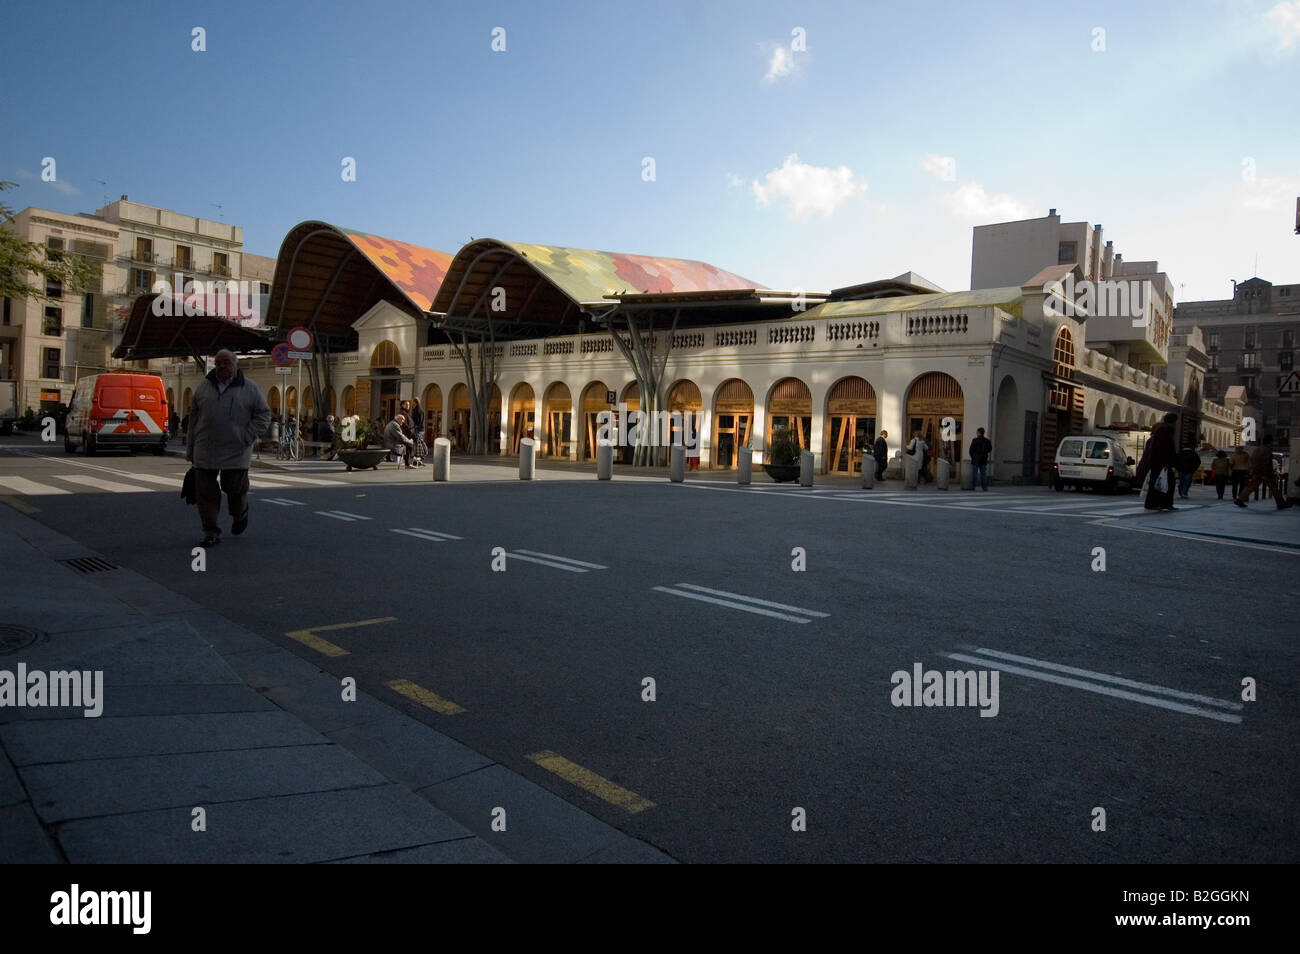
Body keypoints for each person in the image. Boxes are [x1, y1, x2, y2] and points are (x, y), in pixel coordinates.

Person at [186, 349, 270, 547]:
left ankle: (240, 513)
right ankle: (210, 531)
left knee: (234, 489)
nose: (222, 366)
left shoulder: (250, 388)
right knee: (205, 494)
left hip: (236, 450)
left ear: (236, 365)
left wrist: (247, 436)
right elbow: (193, 419)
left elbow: (264, 415)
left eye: (226, 362)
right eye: (218, 363)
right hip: (205, 449)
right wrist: (191, 448)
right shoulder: (204, 387)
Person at [1134, 412, 1178, 511]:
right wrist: (1167, 463)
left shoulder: (1160, 431)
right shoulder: (1166, 431)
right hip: (1161, 463)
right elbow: (1165, 449)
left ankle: (1155, 503)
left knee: (1158, 483)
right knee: (1165, 483)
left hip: (1155, 463)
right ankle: (1163, 504)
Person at [1235, 436, 1291, 510]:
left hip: (1256, 471)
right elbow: (1267, 462)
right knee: (1274, 488)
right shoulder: (1267, 450)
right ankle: (1280, 503)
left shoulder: (1257, 449)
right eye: (1272, 442)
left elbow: (1252, 460)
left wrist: (1253, 470)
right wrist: (1269, 472)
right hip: (1264, 472)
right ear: (1270, 442)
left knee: (1251, 486)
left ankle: (1240, 499)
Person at [969, 427, 992, 491]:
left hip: (975, 459)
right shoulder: (987, 441)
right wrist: (985, 453)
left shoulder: (975, 440)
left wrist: (973, 457)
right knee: (983, 474)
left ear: (979, 433)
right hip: (984, 459)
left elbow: (971, 450)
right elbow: (990, 449)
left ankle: (973, 486)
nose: (976, 433)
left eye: (977, 432)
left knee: (974, 474)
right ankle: (984, 487)